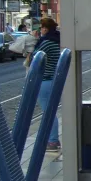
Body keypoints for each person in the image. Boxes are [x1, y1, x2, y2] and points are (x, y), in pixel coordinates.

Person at [34, 17, 63, 151]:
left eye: (42, 27)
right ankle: (52, 140)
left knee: (48, 112)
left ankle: (52, 141)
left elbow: (35, 58)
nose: (41, 30)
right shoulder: (57, 40)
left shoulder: (46, 42)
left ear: (45, 28)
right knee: (50, 110)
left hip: (46, 80)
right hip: (54, 79)